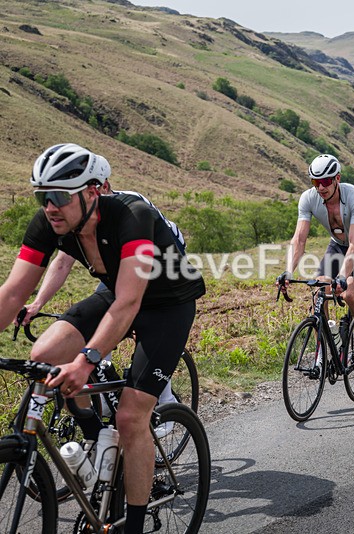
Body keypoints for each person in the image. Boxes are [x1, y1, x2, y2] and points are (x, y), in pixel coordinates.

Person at [0, 143, 205, 534]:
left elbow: (130, 302)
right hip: (117, 293)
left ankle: (134, 525)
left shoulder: (133, 215)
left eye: (60, 196)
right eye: (43, 196)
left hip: (168, 304)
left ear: (93, 192)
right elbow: (11, 294)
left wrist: (86, 360)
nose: (50, 207)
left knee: (130, 416)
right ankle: (96, 436)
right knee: (44, 355)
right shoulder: (50, 222)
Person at [16, 162, 187, 429]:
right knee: (95, 335)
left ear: (102, 188)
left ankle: (163, 401)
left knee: (143, 335)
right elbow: (62, 262)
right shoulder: (76, 217)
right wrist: (38, 303)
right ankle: (102, 406)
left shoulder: (131, 207)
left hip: (161, 271)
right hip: (118, 277)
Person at [277, 154, 354, 369]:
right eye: (316, 182)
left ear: (337, 179)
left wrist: (342, 276)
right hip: (338, 244)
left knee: (349, 293)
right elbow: (299, 239)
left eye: (325, 181)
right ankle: (324, 348)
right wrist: (288, 271)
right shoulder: (308, 198)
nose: (321, 187)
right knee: (319, 290)